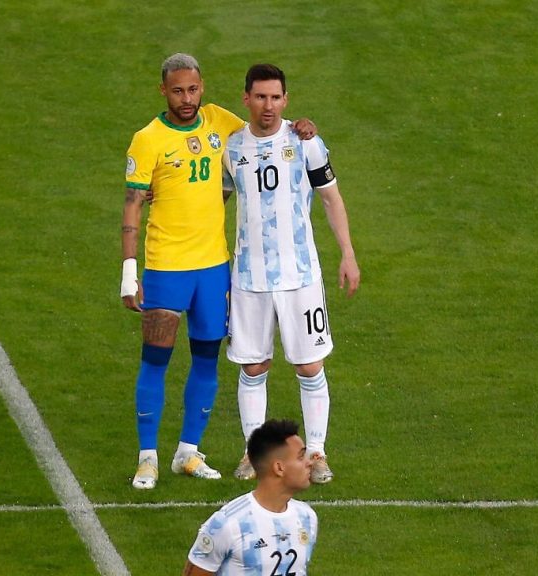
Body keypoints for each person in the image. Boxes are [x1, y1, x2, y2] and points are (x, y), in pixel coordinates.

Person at [121, 54, 317, 490]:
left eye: (193, 89)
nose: (186, 99)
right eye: (177, 91)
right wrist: (129, 272)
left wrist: (301, 126)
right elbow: (132, 204)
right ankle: (147, 458)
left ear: (202, 87)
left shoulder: (218, 121)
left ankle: (187, 452)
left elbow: (262, 131)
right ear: (163, 91)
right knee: (155, 360)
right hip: (166, 265)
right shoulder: (147, 139)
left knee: (206, 360)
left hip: (214, 267)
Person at [222, 64, 360, 485]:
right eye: (260, 97)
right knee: (253, 366)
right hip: (249, 277)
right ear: (246, 98)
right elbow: (211, 202)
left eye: (275, 97)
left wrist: (348, 253)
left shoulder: (306, 143)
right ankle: (254, 453)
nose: (268, 105)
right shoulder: (231, 148)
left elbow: (331, 199)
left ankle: (315, 452)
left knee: (310, 365)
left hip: (300, 274)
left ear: (286, 100)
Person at [183, 419, 318, 575]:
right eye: (301, 457)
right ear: (279, 468)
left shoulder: (307, 517)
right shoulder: (228, 524)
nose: (310, 463)